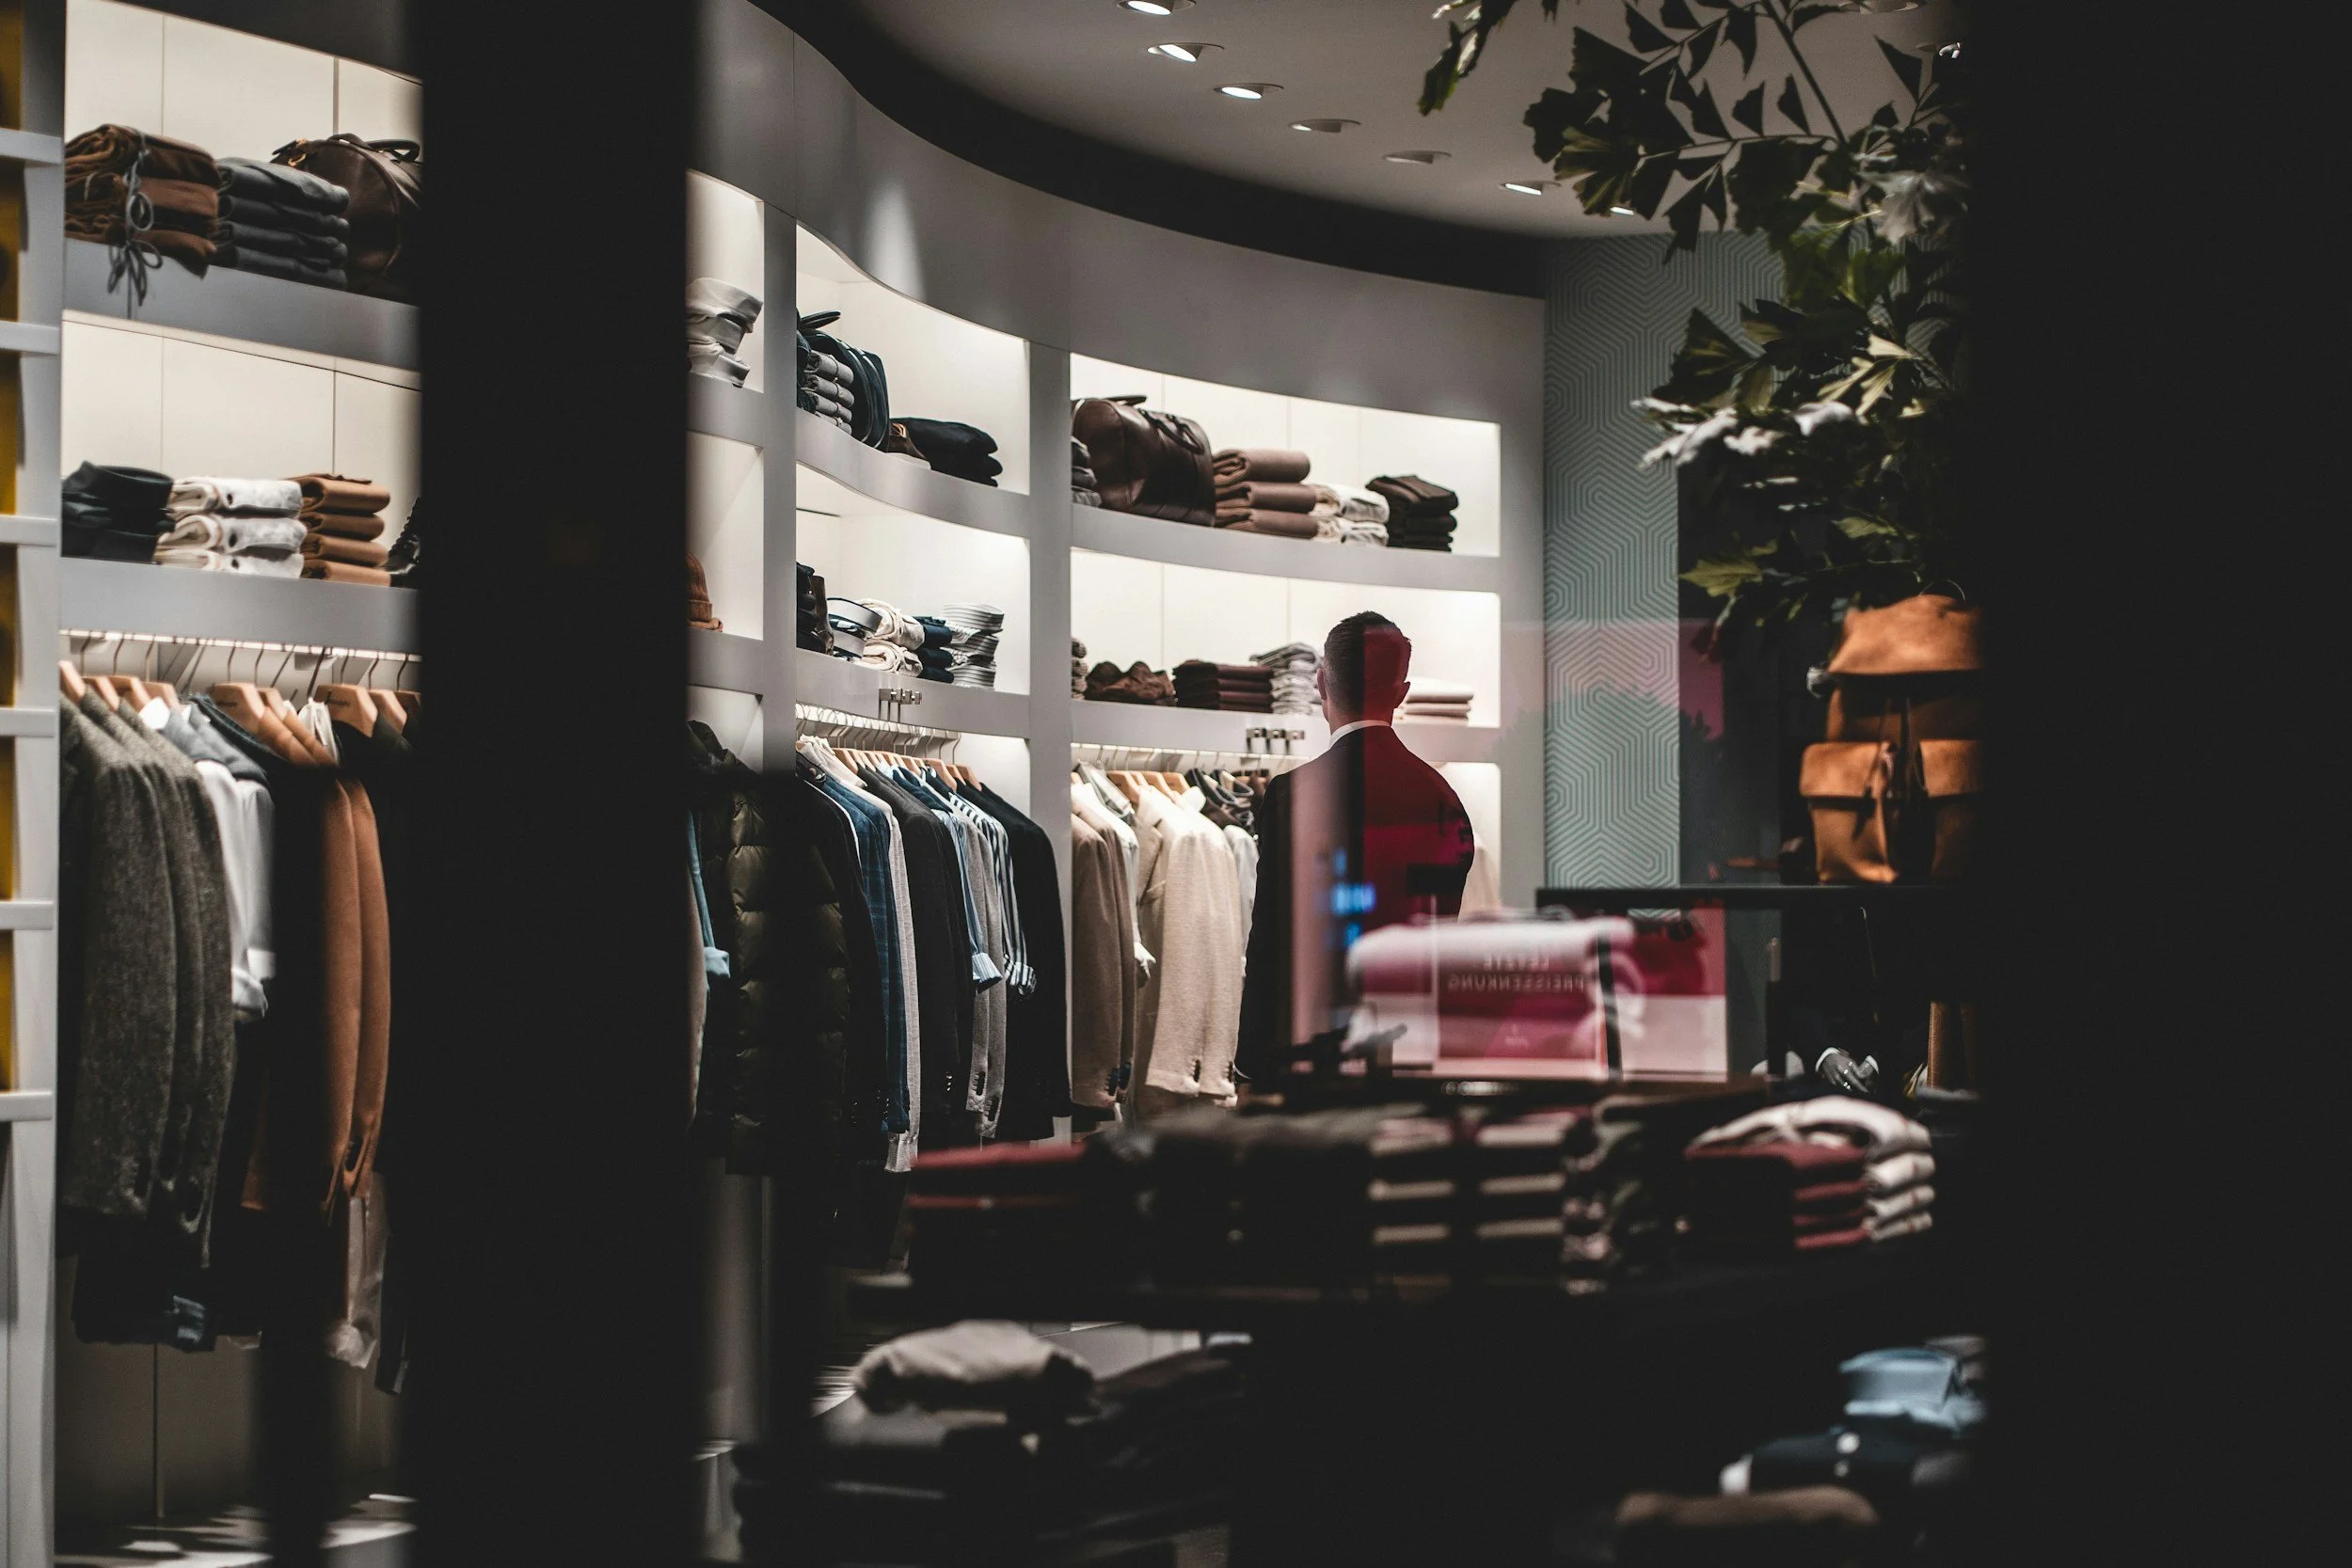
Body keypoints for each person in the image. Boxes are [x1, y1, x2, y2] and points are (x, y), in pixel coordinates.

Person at [1237, 612, 1475, 1081]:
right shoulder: (1443, 797)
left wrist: (1250, 1065)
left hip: (1312, 1052)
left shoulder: (1294, 795)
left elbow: (1269, 941)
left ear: (1321, 683)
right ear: (1401, 694)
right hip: (1412, 1050)